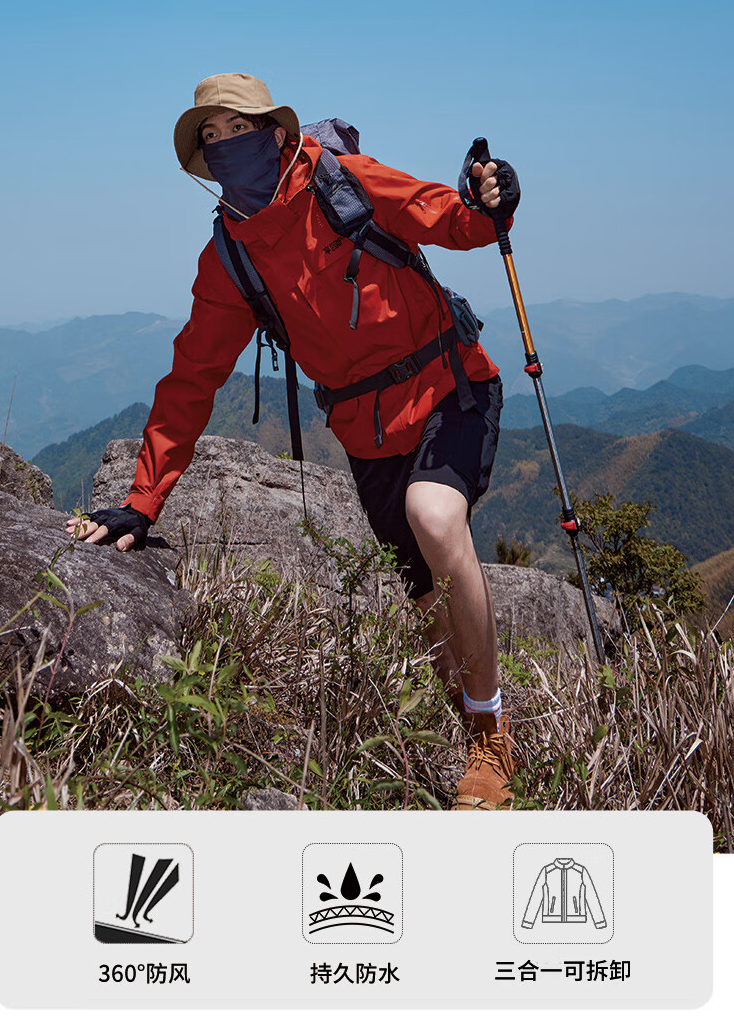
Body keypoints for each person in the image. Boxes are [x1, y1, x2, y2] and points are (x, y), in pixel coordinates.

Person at [67, 73, 520, 811]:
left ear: (277, 134)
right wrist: (140, 501)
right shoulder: (232, 259)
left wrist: (490, 197)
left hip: (450, 388)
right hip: (367, 436)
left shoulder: (343, 184)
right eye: (208, 138)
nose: (222, 148)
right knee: (425, 601)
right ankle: (472, 729)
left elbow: (452, 220)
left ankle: (493, 737)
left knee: (435, 517)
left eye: (233, 129)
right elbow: (192, 378)